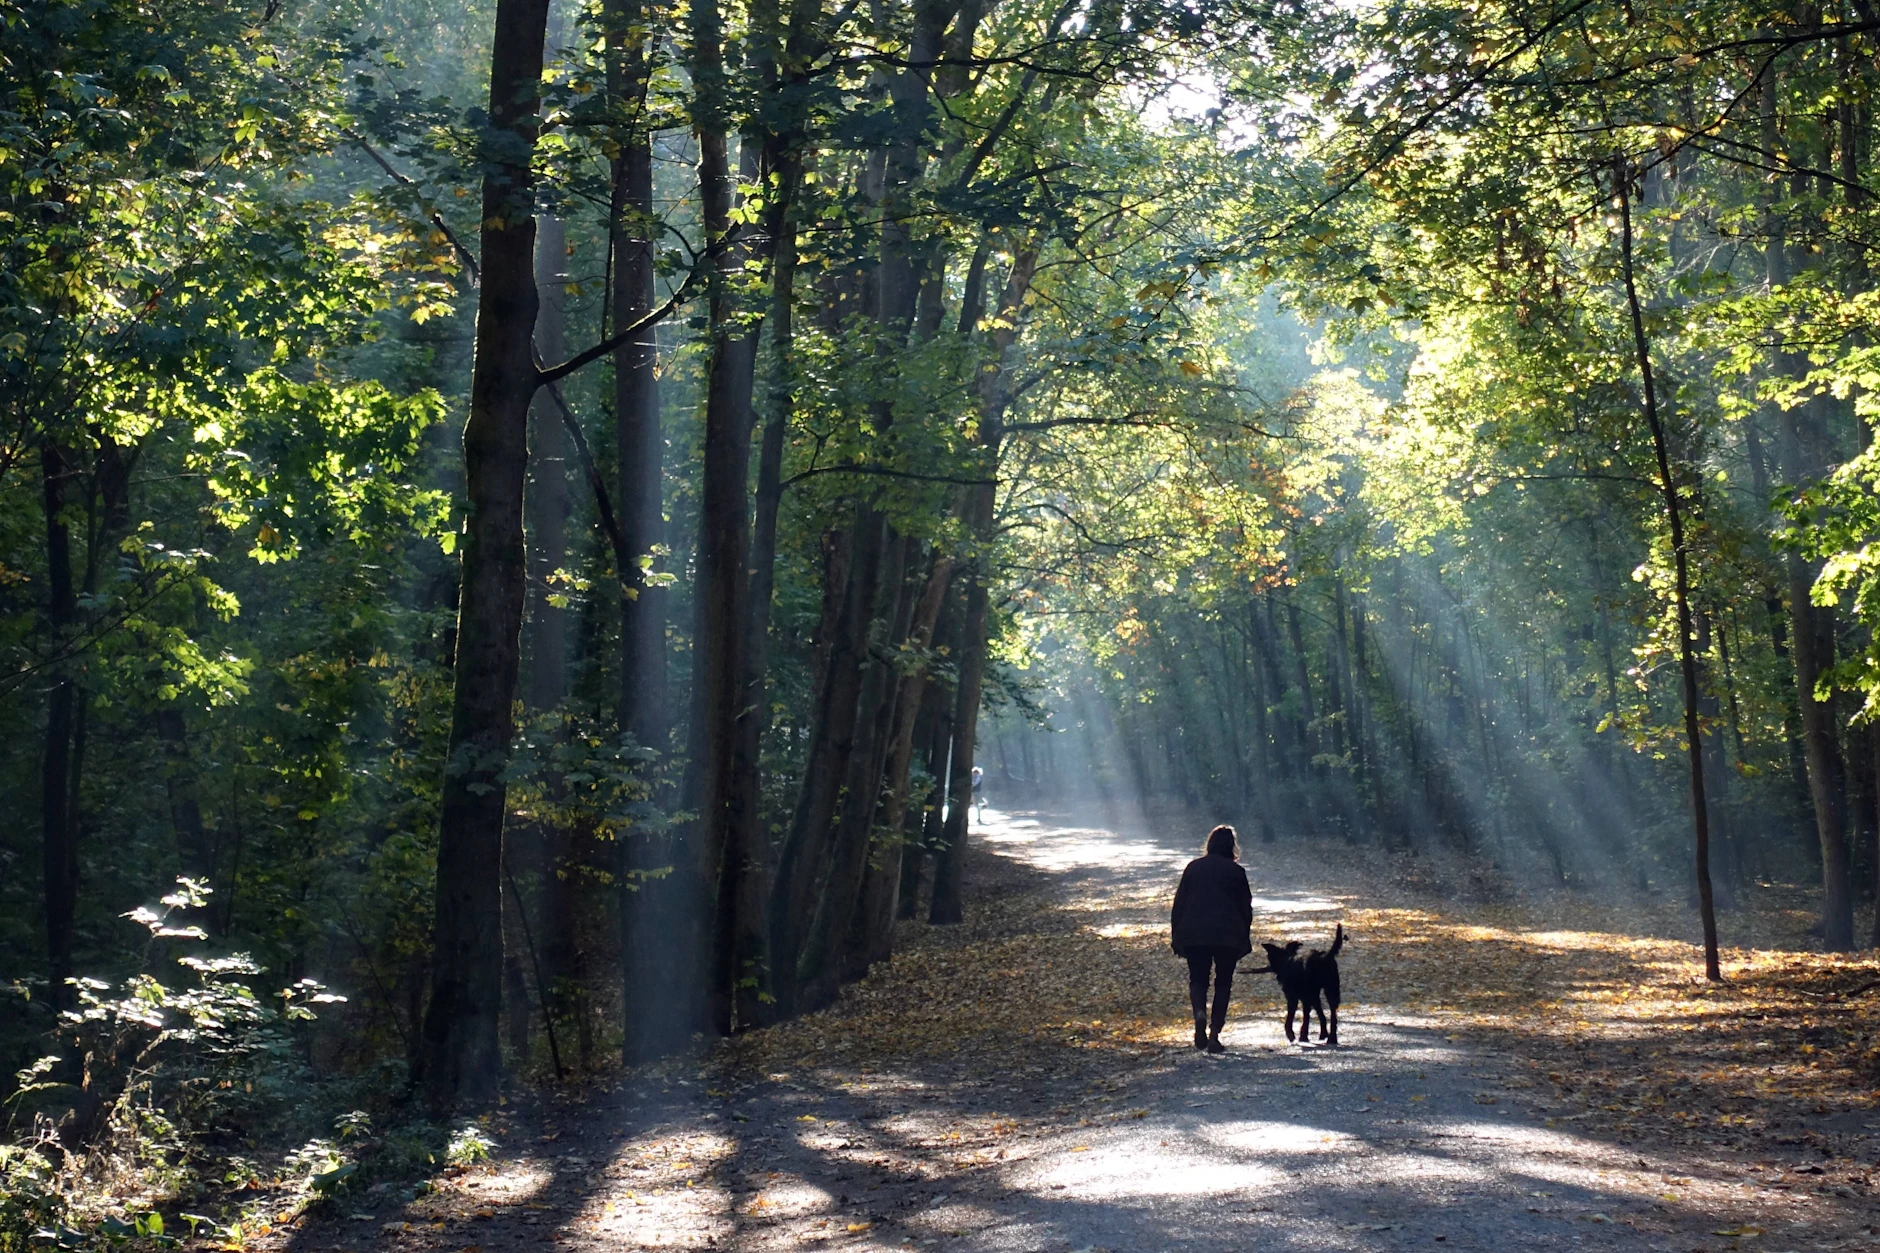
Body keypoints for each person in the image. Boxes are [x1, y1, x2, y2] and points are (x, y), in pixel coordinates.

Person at [1169, 824, 1253, 1054]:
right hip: (1227, 935)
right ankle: (1215, 1033)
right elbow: (1246, 908)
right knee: (1223, 983)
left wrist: (1177, 935)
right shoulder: (1237, 872)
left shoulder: (1193, 868)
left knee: (1198, 979)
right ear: (1232, 846)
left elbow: (1179, 905)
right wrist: (1244, 937)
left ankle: (1199, 1014)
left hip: (1195, 933)